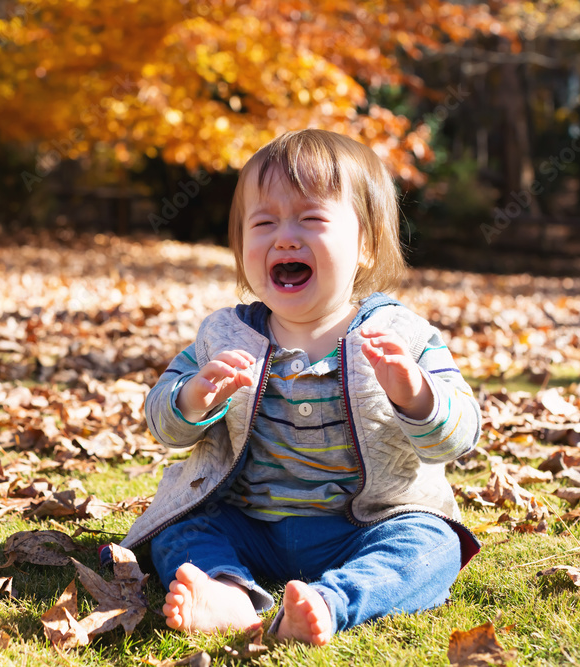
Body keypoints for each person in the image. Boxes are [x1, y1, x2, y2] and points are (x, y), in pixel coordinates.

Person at [116, 129, 482, 644]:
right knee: (178, 528)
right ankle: (227, 593)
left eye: (310, 219)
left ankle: (329, 604)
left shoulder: (402, 336)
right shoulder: (225, 334)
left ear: (365, 245)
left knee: (434, 545)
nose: (284, 237)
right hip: (249, 524)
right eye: (263, 223)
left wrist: (415, 395)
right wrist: (194, 397)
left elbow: (460, 434)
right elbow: (163, 421)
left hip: (364, 527)